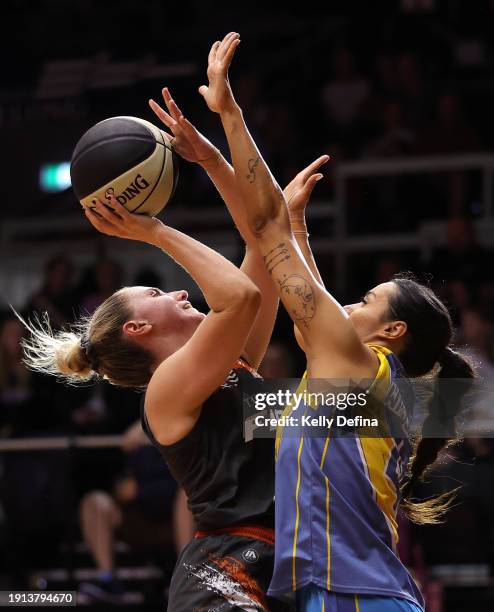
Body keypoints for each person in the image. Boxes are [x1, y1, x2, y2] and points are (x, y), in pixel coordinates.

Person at [19, 33, 327, 611]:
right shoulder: (164, 393)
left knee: (404, 402)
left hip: (283, 564)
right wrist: (152, 230)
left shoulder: (234, 370)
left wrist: (209, 154)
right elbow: (236, 295)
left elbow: (259, 243)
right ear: (137, 330)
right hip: (226, 574)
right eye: (158, 291)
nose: (179, 289)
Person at [201, 31, 475, 611]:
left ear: (392, 331)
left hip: (352, 596)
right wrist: (296, 227)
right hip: (352, 593)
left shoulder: (362, 369)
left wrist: (230, 118)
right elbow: (311, 311)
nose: (347, 304)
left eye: (367, 300)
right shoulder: (360, 384)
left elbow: (265, 225)